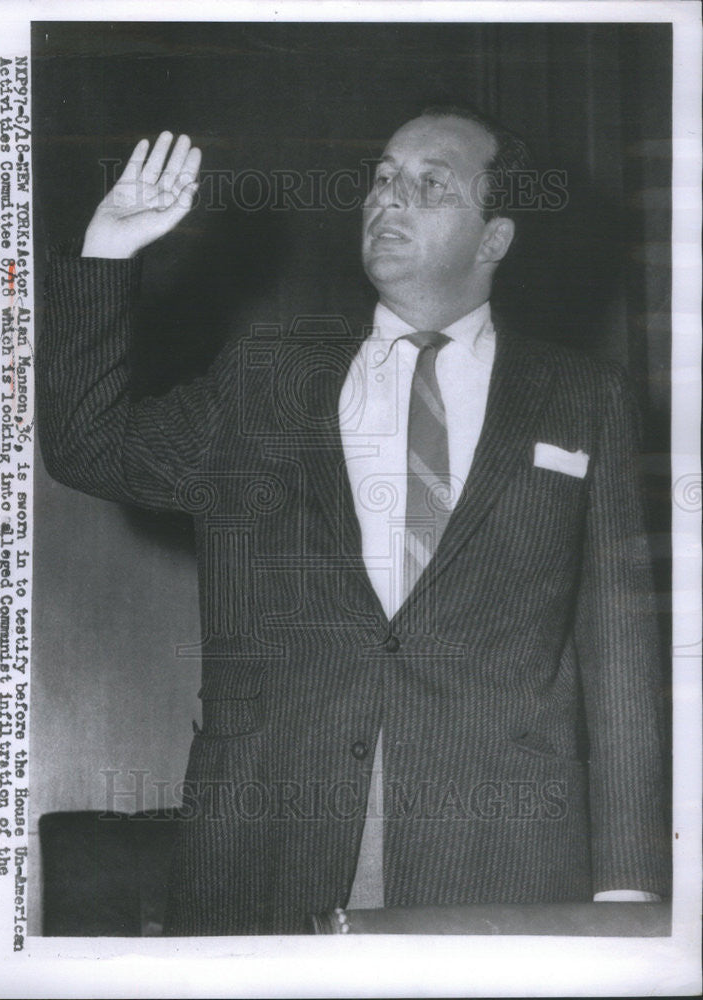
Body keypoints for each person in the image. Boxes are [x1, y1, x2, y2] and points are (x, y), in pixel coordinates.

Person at [37, 106, 669, 935]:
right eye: (379, 178)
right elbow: (89, 447)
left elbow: (621, 654)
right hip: (268, 839)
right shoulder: (268, 377)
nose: (387, 199)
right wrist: (109, 248)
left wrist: (628, 886)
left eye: (428, 186)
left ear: (494, 239)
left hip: (501, 849)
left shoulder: (585, 398)